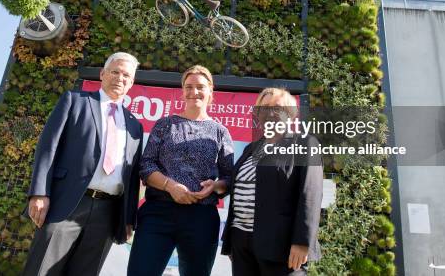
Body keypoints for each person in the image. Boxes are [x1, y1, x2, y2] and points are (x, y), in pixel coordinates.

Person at [22, 52, 144, 276]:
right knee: (41, 270)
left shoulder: (135, 126)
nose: (120, 78)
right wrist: (39, 193)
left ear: (132, 83)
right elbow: (48, 148)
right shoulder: (75, 101)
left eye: (126, 75)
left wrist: (128, 219)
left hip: (107, 213)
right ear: (102, 74)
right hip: (65, 203)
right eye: (115, 71)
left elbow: (133, 175)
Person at [127, 65, 234, 276]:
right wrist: (170, 186)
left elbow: (229, 178)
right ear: (182, 90)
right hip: (158, 214)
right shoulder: (165, 124)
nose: (194, 92)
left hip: (201, 218)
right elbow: (146, 165)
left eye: (200, 87)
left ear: (211, 91)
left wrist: (215, 186)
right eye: (189, 86)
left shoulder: (221, 132)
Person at [221, 88, 323, 276]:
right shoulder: (251, 148)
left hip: (280, 246)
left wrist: (302, 241)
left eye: (277, 107)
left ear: (291, 114)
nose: (270, 112)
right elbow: (245, 185)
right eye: (264, 108)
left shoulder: (305, 143)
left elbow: (310, 194)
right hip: (242, 243)